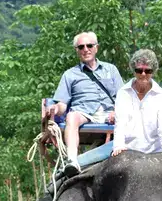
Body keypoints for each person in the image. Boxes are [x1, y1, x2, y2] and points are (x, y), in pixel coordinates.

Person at [44, 31, 124, 177]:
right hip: (84, 112)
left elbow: (123, 98)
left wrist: (117, 111)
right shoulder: (70, 74)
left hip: (110, 113)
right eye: (81, 47)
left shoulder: (111, 69)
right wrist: (55, 108)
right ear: (77, 51)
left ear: (96, 48)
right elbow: (62, 105)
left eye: (89, 45)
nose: (85, 49)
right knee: (71, 117)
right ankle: (73, 161)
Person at [110, 49, 162, 158]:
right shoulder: (123, 93)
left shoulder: (161, 95)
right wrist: (118, 147)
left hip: (155, 151)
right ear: (133, 71)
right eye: (139, 70)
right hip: (127, 150)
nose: (143, 74)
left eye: (148, 71)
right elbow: (120, 124)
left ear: (153, 71)